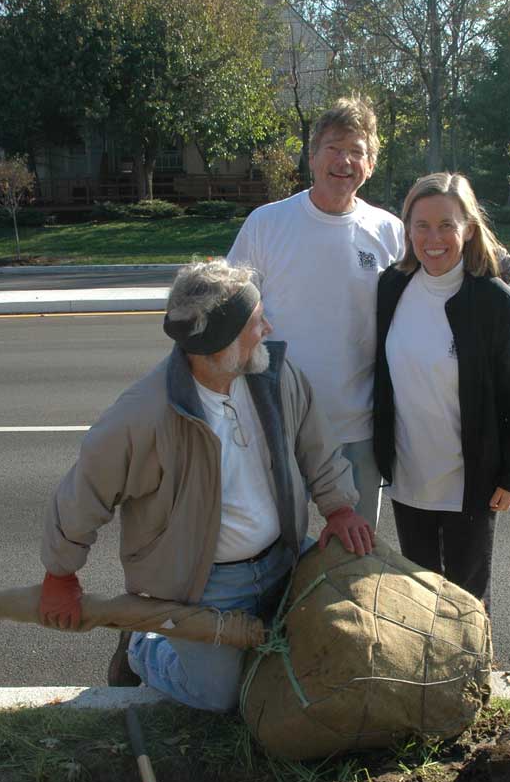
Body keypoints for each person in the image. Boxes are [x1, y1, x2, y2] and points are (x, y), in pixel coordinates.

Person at [38, 260, 375, 711]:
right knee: (219, 697)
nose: (268, 328)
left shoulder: (274, 375)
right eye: (256, 322)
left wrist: (339, 509)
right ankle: (143, 645)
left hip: (283, 558)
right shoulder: (143, 414)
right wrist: (60, 575)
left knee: (337, 647)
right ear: (220, 343)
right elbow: (83, 495)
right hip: (201, 586)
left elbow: (316, 445)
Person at [373, 172, 510, 613]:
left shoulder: (495, 303)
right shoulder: (391, 288)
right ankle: (428, 680)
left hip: (471, 482)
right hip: (409, 477)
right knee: (420, 597)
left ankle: (472, 680)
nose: (433, 238)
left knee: (466, 602)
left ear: (468, 228)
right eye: (421, 225)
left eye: (446, 225)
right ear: (406, 228)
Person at [228, 95, 404, 528]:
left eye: (357, 151)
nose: (345, 160)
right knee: (274, 548)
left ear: (370, 165)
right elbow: (230, 309)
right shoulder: (267, 224)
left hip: (358, 426)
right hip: (278, 422)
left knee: (354, 557)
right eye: (334, 147)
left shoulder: (389, 231)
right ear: (312, 156)